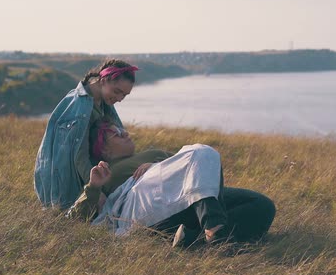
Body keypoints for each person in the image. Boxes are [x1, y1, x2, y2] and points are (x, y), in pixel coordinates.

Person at [67, 122, 276, 246]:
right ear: (103, 149)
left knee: (262, 206)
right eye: (116, 133)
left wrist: (160, 165)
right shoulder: (105, 170)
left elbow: (189, 168)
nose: (125, 133)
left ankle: (194, 240)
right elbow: (75, 218)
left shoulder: (147, 154)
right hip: (140, 203)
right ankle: (214, 228)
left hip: (184, 195)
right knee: (201, 151)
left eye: (123, 129)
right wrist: (94, 187)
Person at [33, 59, 139, 210]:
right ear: (103, 80)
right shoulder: (81, 108)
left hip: (91, 173)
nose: (120, 99)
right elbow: (79, 156)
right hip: (68, 184)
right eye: (117, 91)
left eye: (124, 95)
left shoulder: (101, 101)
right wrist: (95, 190)